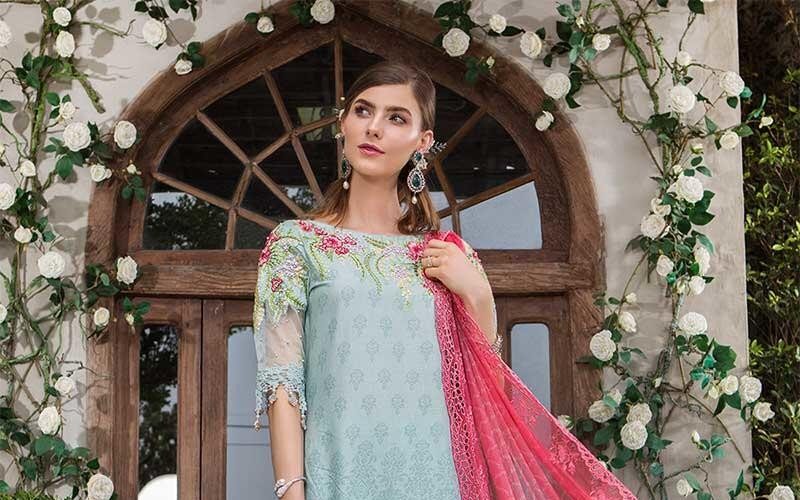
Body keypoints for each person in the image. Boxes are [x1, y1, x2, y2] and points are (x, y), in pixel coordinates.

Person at [253, 62, 636, 500]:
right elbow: (283, 383)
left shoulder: (447, 256)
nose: (374, 127)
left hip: (441, 477)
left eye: (397, 118)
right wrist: (291, 492)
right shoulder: (297, 245)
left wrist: (477, 292)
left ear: (422, 141)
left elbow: (487, 385)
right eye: (363, 110)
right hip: (339, 475)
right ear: (343, 124)